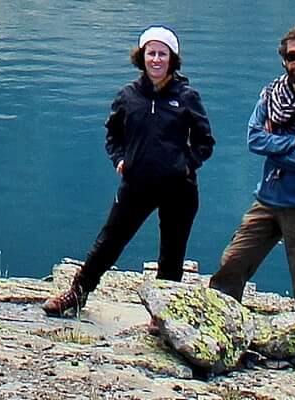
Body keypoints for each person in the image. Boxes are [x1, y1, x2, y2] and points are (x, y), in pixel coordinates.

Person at [43, 26, 214, 316]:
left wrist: (186, 165)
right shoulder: (129, 95)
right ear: (142, 57)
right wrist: (119, 158)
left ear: (172, 59)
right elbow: (112, 133)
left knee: (172, 254)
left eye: (163, 54)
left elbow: (204, 141)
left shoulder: (186, 96)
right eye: (151, 54)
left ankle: (163, 316)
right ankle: (77, 294)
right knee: (109, 241)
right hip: (136, 183)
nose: (156, 60)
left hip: (179, 188)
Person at [208, 24, 295, 312]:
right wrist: (292, 142)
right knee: (232, 264)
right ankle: (220, 324)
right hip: (268, 199)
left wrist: (275, 145)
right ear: (283, 60)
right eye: (292, 56)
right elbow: (253, 138)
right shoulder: (271, 94)